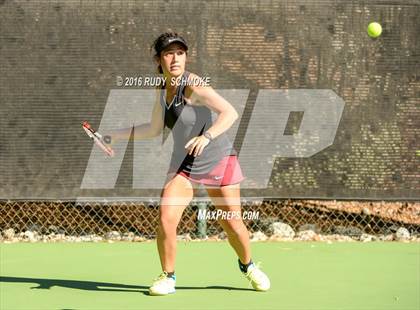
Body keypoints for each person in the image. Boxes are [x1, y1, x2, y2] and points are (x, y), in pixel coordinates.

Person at [115, 31, 270, 296]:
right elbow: (154, 128)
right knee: (166, 217)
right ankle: (168, 277)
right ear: (158, 59)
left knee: (232, 224)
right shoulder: (162, 88)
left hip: (218, 158)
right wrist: (117, 135)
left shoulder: (193, 84)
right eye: (168, 53)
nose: (175, 58)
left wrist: (206, 137)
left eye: (180, 53)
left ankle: (248, 266)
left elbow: (229, 112)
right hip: (185, 164)